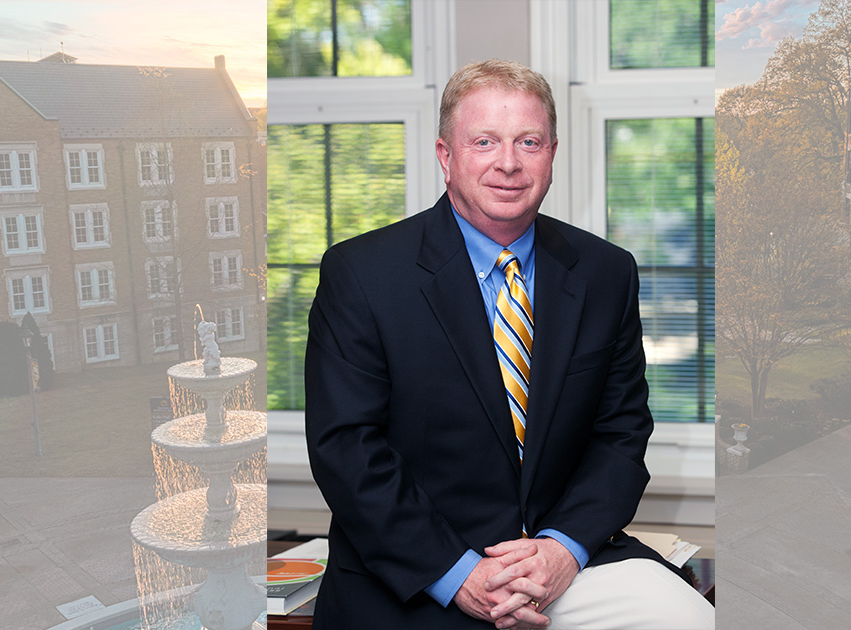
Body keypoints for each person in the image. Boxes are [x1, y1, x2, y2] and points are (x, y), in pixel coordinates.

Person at [304, 59, 714, 629]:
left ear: (552, 155)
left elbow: (620, 436)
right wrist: (460, 575)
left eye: (529, 141)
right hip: (421, 577)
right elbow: (346, 450)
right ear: (446, 157)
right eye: (485, 141)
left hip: (564, 568)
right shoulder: (362, 273)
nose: (508, 163)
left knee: (691, 618)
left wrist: (561, 551)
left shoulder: (606, 273)